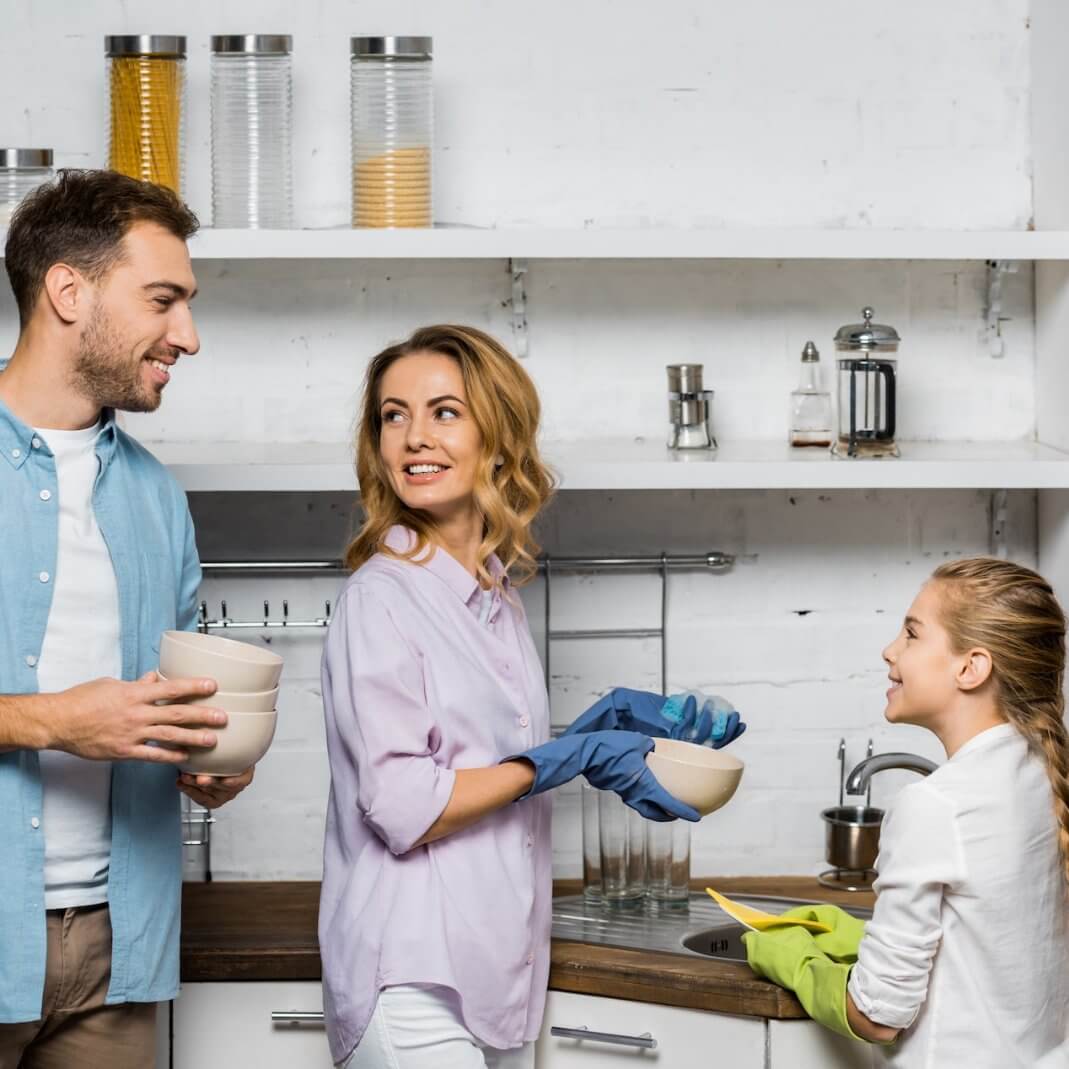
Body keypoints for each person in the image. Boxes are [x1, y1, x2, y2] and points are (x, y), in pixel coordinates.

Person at [320, 325, 716, 1069]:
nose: (412, 437)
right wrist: (561, 758)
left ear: (497, 441)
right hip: (412, 979)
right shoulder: (381, 599)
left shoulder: (493, 595)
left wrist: (596, 731)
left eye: (444, 412)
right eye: (392, 415)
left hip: (490, 973)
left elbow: (484, 759)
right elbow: (403, 805)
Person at [0, 169, 254, 1067]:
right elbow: (79, 719)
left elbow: (165, 700)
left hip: (121, 951)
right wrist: (55, 721)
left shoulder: (156, 497)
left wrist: (204, 761)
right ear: (68, 290)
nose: (186, 334)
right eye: (162, 299)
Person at [744, 557, 1069, 1067]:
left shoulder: (935, 804)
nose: (889, 650)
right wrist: (852, 935)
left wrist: (789, 958)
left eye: (912, 634)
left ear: (971, 667)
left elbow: (877, 1015)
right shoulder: (1043, 776)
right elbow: (988, 947)